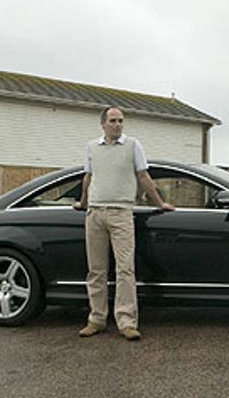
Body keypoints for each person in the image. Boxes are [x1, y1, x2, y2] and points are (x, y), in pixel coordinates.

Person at [73, 106, 174, 341]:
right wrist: (83, 203)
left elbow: (143, 177)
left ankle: (126, 321)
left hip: (122, 213)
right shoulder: (91, 147)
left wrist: (160, 203)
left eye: (121, 121)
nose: (118, 125)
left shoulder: (133, 146)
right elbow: (88, 177)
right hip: (96, 213)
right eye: (113, 121)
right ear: (103, 124)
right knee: (96, 270)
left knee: (125, 269)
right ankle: (96, 319)